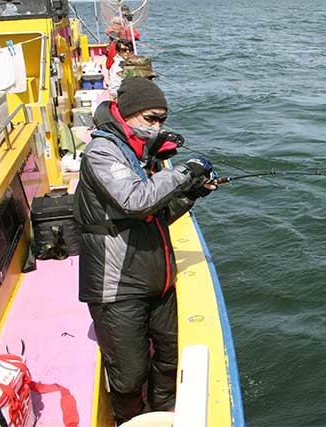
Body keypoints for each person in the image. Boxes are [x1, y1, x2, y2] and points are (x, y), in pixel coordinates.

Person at [73, 77, 217, 425]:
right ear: (128, 114)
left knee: (170, 359)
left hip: (157, 280)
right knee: (129, 374)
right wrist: (184, 172)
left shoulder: (139, 153)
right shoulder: (103, 151)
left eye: (162, 121)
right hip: (117, 287)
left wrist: (192, 192)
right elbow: (136, 201)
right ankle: (131, 420)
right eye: (151, 119)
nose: (157, 127)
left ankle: (163, 414)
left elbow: (157, 214)